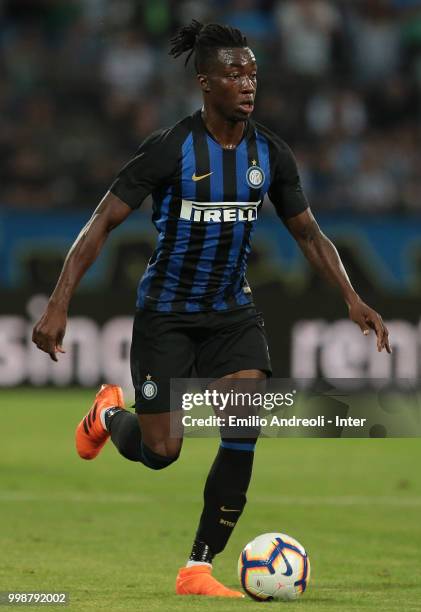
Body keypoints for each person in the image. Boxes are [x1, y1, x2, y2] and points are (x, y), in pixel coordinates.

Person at [32, 20, 391, 598]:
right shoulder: (171, 148)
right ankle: (107, 417)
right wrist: (58, 303)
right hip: (166, 315)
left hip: (232, 313)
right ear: (206, 83)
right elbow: (101, 223)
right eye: (234, 73)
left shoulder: (269, 153)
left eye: (252, 72)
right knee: (162, 453)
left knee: (243, 425)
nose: (248, 83)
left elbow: (309, 234)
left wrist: (353, 298)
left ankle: (198, 567)